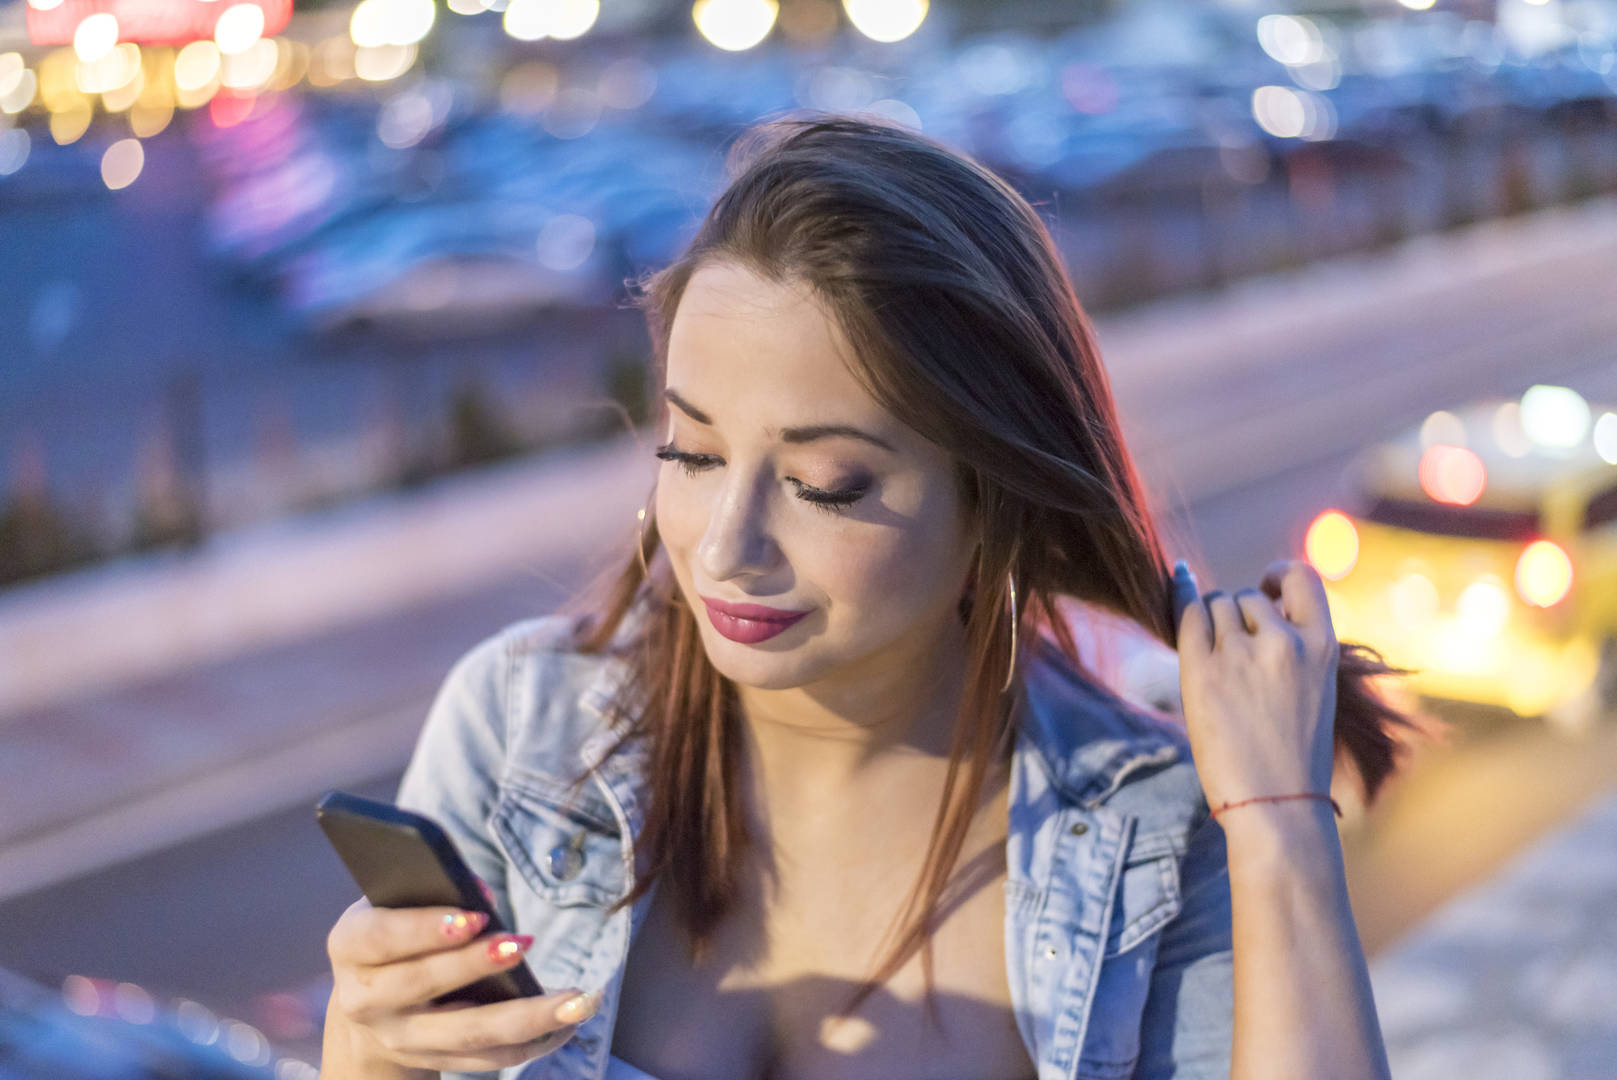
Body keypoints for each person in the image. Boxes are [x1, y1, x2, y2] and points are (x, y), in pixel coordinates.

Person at [317, 114, 1420, 1080]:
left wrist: (1279, 828)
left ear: (995, 498)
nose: (725, 549)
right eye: (693, 452)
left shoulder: (1153, 837)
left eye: (825, 484)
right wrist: (366, 1057)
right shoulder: (520, 734)